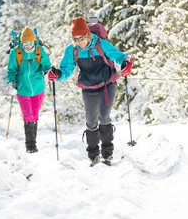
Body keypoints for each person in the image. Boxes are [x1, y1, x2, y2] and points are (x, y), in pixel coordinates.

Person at [48, 17, 133, 165]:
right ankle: (93, 155)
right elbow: (66, 70)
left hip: (107, 85)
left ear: (87, 34)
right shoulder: (72, 50)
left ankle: (107, 153)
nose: (80, 42)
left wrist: (126, 63)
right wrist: (58, 74)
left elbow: (118, 56)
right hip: (89, 89)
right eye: (76, 39)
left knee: (104, 117)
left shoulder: (100, 44)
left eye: (82, 38)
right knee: (91, 121)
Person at [7, 26, 52, 153]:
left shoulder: (39, 50)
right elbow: (11, 70)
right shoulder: (15, 53)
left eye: (30, 43)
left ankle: (33, 142)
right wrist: (10, 83)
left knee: (35, 115)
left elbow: (47, 65)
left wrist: (49, 72)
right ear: (21, 42)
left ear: (34, 41)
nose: (28, 46)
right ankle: (30, 146)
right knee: (27, 115)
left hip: (38, 88)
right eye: (25, 43)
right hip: (22, 89)